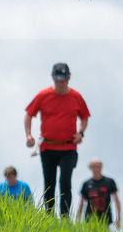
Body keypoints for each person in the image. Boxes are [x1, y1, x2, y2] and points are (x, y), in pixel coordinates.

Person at [25, 62, 90, 218]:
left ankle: (65, 217)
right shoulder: (43, 95)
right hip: (47, 147)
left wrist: (81, 133)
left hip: (68, 148)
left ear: (69, 78)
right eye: (58, 80)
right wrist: (28, 135)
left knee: (65, 183)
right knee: (49, 183)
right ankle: (49, 216)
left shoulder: (76, 97)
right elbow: (28, 115)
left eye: (64, 80)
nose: (61, 84)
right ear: (53, 78)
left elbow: (85, 117)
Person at [77, 158, 122, 227]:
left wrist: (118, 218)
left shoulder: (109, 182)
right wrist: (78, 219)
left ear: (101, 168)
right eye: (94, 167)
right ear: (91, 168)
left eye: (98, 167)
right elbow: (81, 203)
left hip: (105, 217)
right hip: (89, 218)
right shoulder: (86, 184)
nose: (96, 169)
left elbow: (116, 200)